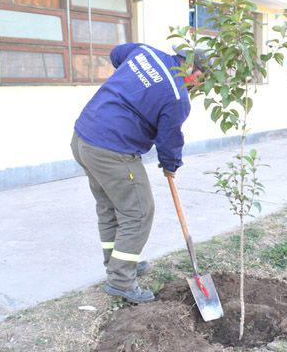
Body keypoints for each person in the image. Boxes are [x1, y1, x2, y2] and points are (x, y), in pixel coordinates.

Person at [70, 43, 204, 303]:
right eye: (202, 79)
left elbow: (116, 54)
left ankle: (117, 262)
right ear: (192, 70)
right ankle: (121, 280)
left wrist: (139, 86)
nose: (199, 86)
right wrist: (171, 164)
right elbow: (169, 140)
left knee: (110, 206)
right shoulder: (177, 98)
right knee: (139, 212)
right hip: (111, 149)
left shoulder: (145, 53)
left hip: (83, 138)